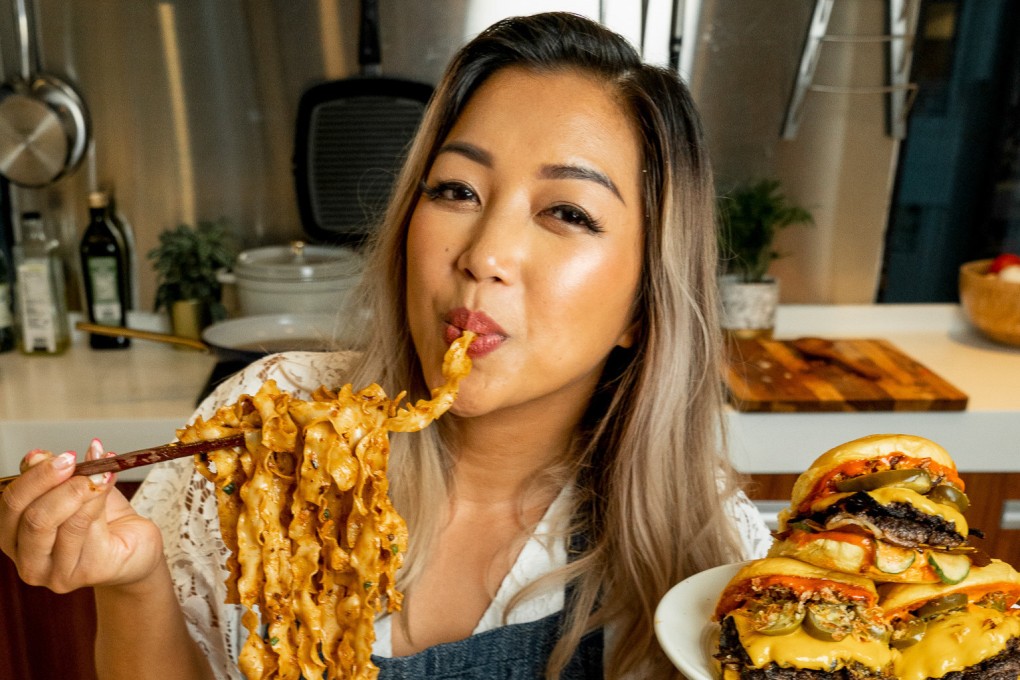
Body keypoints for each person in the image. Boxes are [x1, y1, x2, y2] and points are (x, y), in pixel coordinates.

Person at [0, 12, 770, 679]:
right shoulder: (270, 426)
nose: (483, 252)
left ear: (643, 302)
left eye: (566, 212)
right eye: (456, 191)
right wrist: (134, 583)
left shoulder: (707, 544)